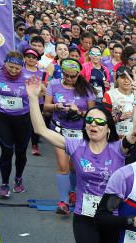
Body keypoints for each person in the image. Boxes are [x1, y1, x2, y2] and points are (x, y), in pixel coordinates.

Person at [26, 78, 125, 243]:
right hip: (85, 216)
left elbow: (135, 132)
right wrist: (31, 97)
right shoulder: (76, 145)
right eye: (89, 120)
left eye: (99, 121)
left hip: (112, 217)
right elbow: (41, 130)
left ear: (108, 127)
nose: (93, 124)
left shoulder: (119, 149)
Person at [44, 58, 95, 215]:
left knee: (74, 167)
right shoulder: (53, 85)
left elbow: (92, 114)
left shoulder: (87, 90)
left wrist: (78, 112)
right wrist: (56, 106)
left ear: (79, 74)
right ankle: (63, 202)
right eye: (66, 75)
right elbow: (45, 108)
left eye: (73, 76)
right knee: (62, 165)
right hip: (59, 129)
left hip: (79, 132)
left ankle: (72, 192)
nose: (69, 79)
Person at [0, 51, 35, 199]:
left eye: (17, 68)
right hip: (2, 118)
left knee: (21, 152)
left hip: (23, 119)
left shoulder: (28, 77)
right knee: (7, 150)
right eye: (11, 67)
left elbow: (40, 93)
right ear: (5, 63)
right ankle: (4, 183)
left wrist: (37, 92)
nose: (14, 71)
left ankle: (18, 178)